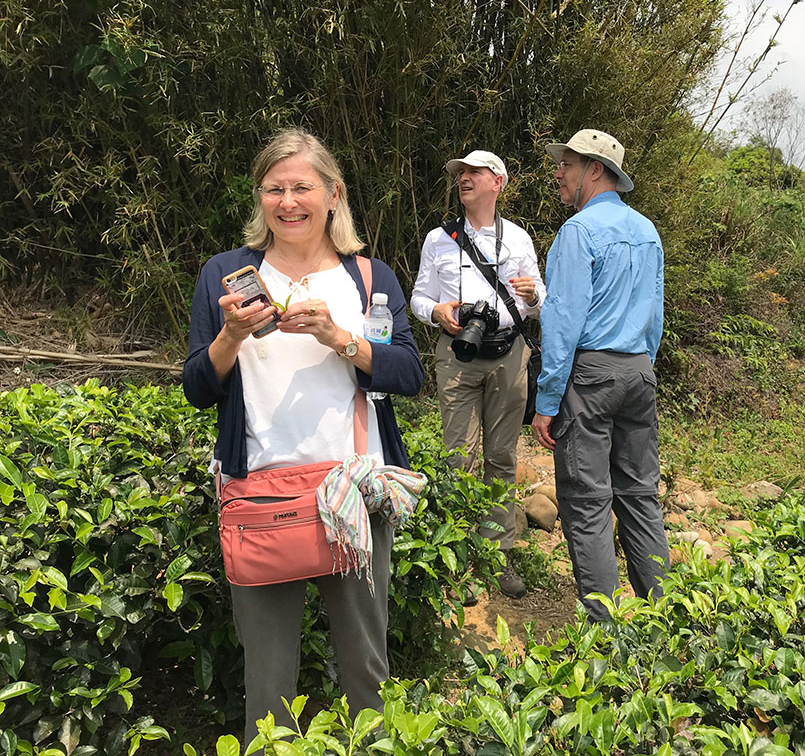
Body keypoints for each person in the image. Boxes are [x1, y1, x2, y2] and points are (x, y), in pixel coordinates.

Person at [182, 129, 424, 743]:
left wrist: (342, 338)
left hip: (353, 493)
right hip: (260, 495)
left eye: (302, 187)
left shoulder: (369, 279)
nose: (288, 202)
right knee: (268, 684)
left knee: (366, 670)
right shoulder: (225, 275)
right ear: (259, 197)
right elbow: (197, 388)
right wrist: (231, 336)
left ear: (333, 194)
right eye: (274, 188)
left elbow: (410, 374)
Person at [531, 128, 669, 623]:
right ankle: (667, 619)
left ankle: (604, 633)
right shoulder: (647, 229)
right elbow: (654, 313)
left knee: (586, 502)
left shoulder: (579, 232)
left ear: (594, 169)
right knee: (639, 495)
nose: (558, 174)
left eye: (566, 165)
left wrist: (547, 401)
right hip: (638, 370)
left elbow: (563, 320)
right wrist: (641, 364)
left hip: (590, 374)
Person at [410, 150, 545, 599]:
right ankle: (459, 558)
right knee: (458, 458)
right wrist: (437, 312)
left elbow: (538, 296)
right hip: (457, 356)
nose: (463, 179)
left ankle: (498, 554)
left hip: (510, 354)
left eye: (473, 173)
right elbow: (418, 298)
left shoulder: (520, 239)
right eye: (459, 174)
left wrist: (533, 294)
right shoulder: (438, 239)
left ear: (497, 183)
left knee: (501, 458)